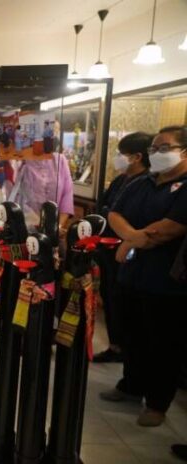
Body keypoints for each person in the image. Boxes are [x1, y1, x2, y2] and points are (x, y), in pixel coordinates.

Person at [100, 126, 187, 427]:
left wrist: (130, 241)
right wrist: (133, 237)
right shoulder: (142, 182)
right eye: (153, 148)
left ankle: (157, 403)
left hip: (167, 282)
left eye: (165, 148)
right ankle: (131, 385)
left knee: (162, 343)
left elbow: (171, 227)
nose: (157, 154)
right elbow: (114, 214)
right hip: (131, 274)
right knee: (132, 334)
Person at [93, 132, 152, 363]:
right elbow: (105, 208)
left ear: (137, 157)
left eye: (121, 154)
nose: (117, 158)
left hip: (130, 252)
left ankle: (127, 349)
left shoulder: (148, 184)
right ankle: (115, 344)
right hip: (107, 248)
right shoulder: (121, 180)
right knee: (110, 297)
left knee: (124, 301)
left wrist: (128, 236)